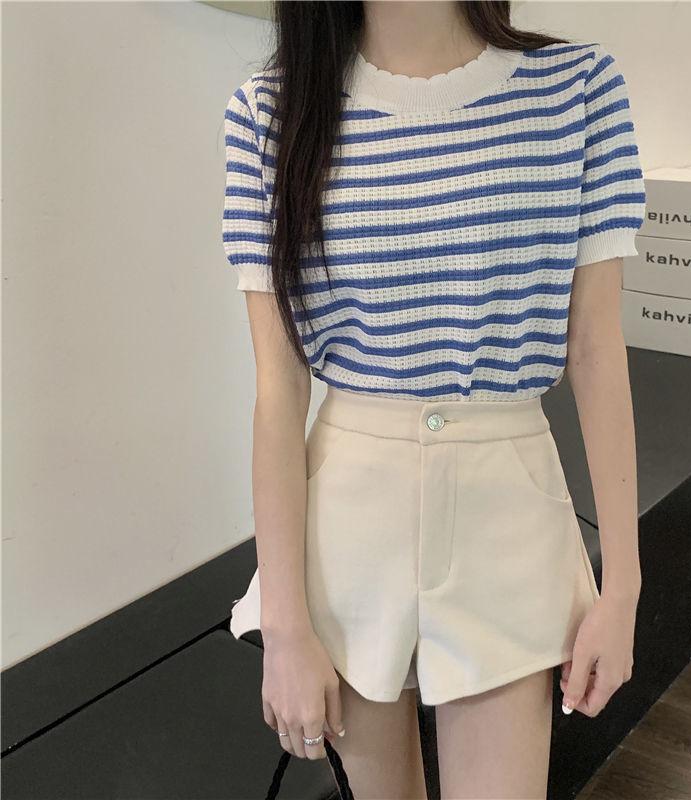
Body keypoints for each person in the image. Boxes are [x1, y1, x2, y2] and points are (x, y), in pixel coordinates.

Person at [221, 1, 644, 797]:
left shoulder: (576, 89)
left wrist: (622, 585)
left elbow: (595, 348)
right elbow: (278, 390)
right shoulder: (270, 113)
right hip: (348, 524)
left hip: (507, 509)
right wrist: (285, 626)